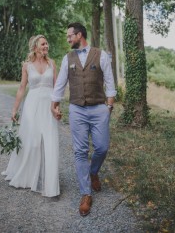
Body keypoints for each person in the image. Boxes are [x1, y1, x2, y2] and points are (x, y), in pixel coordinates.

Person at [51, 22, 116, 216]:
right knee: (80, 151)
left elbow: (110, 83)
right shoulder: (67, 58)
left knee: (102, 147)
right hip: (77, 110)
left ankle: (93, 171)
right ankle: (85, 193)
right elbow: (60, 83)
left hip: (99, 109)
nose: (68, 39)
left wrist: (109, 107)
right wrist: (54, 104)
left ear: (79, 35)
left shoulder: (101, 54)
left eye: (69, 36)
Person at [2, 35, 60, 197]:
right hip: (32, 105)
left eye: (47, 43)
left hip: (48, 106)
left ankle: (50, 182)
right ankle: (28, 176)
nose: (46, 46)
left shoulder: (52, 63)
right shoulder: (27, 65)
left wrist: (57, 107)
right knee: (33, 142)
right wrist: (15, 109)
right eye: (43, 44)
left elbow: (57, 88)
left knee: (49, 141)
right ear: (35, 47)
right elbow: (22, 88)